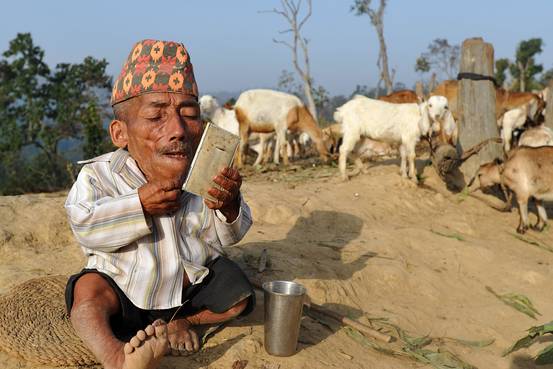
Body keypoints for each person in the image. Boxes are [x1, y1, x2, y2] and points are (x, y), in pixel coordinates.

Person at [64, 39, 254, 369]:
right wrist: (138, 205)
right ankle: (117, 356)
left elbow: (226, 237)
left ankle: (182, 322)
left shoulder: (205, 171)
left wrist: (229, 206)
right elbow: (85, 227)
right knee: (87, 295)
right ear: (120, 133)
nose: (178, 130)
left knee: (240, 295)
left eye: (189, 115)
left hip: (187, 293)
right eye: (156, 117)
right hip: (125, 289)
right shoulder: (100, 175)